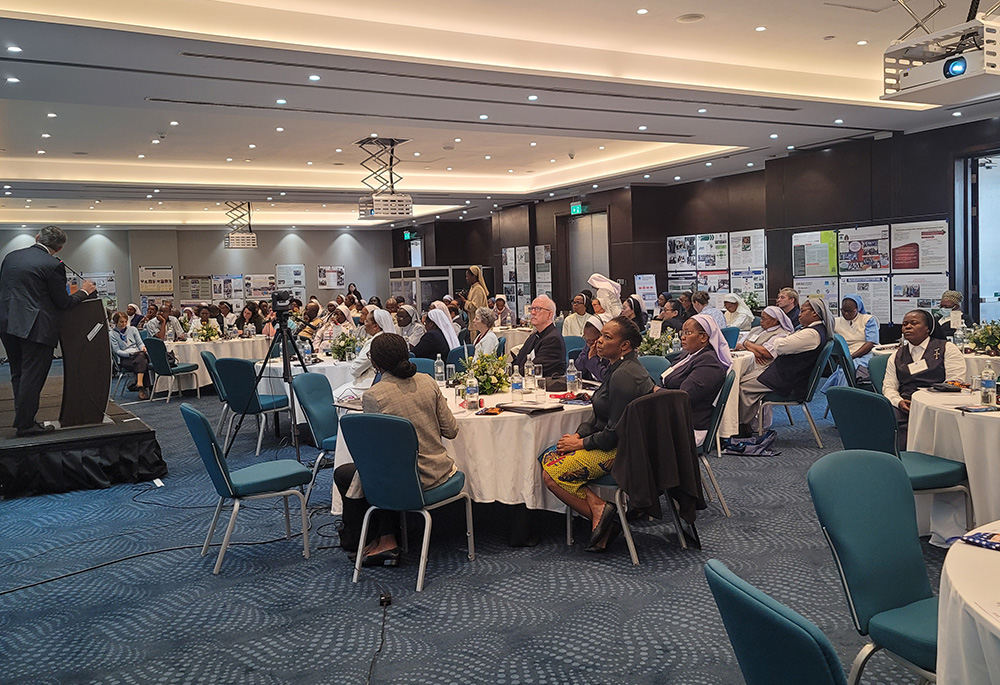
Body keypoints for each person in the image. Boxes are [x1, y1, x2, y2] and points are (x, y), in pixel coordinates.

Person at [333, 333, 459, 563]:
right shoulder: (428, 382)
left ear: (375, 363)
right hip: (437, 471)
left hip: (406, 480)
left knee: (352, 474)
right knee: (380, 471)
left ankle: (371, 539)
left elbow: (374, 450)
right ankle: (385, 537)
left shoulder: (374, 395)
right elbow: (451, 430)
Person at [540, 316, 654, 552]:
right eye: (600, 336)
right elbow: (598, 415)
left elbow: (613, 432)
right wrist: (577, 436)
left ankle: (602, 512)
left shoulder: (625, 375)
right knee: (547, 455)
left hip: (621, 452)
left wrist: (581, 443)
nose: (598, 342)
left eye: (607, 337)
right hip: (614, 443)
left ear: (625, 346)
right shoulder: (618, 367)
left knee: (551, 473)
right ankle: (599, 509)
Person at [0, 226, 96, 435]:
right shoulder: (52, 265)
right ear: (60, 248)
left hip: (7, 323)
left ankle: (24, 419)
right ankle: (25, 425)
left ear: (37, 238)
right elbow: (63, 303)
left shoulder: (10, 257)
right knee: (32, 376)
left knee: (19, 373)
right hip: (36, 327)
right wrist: (84, 292)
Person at [738, 297, 835, 433]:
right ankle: (750, 422)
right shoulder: (814, 330)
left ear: (814, 313)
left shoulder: (811, 334)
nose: (799, 315)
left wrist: (749, 344)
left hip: (788, 380)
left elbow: (779, 346)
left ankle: (744, 426)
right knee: (743, 379)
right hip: (785, 373)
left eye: (803, 311)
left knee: (742, 386)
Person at [883, 309, 966, 447]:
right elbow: (889, 386)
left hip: (939, 403)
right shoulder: (896, 355)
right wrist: (899, 402)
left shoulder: (947, 348)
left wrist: (929, 401)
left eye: (914, 323)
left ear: (927, 328)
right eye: (905, 324)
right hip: (906, 404)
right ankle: (899, 462)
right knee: (888, 422)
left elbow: (955, 382)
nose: (908, 327)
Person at [659, 314, 731, 446]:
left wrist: (654, 390)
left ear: (703, 337)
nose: (683, 337)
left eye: (688, 333)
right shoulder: (688, 355)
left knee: (632, 433)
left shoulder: (709, 363)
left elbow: (684, 396)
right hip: (671, 415)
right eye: (682, 332)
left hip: (689, 426)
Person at [821, 295, 879, 391]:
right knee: (846, 369)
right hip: (845, 355)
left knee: (846, 370)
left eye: (850, 311)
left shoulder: (868, 320)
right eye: (843, 310)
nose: (846, 314)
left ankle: (842, 398)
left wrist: (851, 357)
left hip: (866, 354)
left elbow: (870, 343)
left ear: (857, 309)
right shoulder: (836, 322)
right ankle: (843, 398)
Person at [512, 295, 567, 377]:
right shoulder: (534, 336)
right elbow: (518, 361)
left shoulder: (553, 339)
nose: (533, 313)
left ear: (550, 314)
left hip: (544, 386)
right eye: (531, 309)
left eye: (538, 309)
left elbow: (534, 369)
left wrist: (513, 375)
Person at [735, 306, 794, 377]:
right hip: (747, 361)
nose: (761, 320)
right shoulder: (756, 329)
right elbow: (738, 345)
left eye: (764, 318)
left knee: (737, 377)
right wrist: (754, 353)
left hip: (762, 367)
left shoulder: (781, 334)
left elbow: (765, 352)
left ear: (774, 321)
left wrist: (746, 343)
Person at [109, 311, 151, 399]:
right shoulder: (112, 334)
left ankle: (140, 384)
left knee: (140, 357)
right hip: (125, 358)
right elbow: (117, 351)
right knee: (143, 360)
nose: (124, 324)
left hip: (137, 354)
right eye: (121, 322)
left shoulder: (133, 329)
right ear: (116, 322)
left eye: (125, 321)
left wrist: (143, 347)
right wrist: (130, 354)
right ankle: (142, 388)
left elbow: (140, 343)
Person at [574, 315, 610, 382]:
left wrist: (593, 358)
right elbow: (577, 369)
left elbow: (606, 377)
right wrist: (588, 354)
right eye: (586, 340)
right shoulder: (588, 346)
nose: (588, 344)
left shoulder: (611, 351)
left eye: (592, 340)